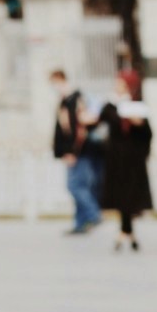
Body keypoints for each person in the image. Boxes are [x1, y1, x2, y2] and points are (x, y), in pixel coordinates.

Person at [98, 73, 152, 251]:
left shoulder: (138, 105)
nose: (117, 87)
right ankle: (128, 232)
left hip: (133, 158)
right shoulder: (109, 105)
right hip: (116, 158)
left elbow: (148, 133)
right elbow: (104, 119)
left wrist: (139, 124)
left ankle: (125, 231)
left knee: (131, 196)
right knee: (121, 195)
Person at [50, 69, 104, 235]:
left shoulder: (74, 100)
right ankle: (80, 223)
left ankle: (93, 214)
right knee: (79, 185)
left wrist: (71, 151)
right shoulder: (66, 100)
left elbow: (76, 130)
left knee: (75, 186)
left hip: (79, 152)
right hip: (78, 151)